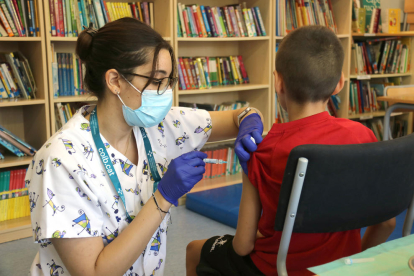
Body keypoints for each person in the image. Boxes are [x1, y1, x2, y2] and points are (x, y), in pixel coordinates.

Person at [26, 18, 263, 276]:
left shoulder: (157, 125)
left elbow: (236, 117)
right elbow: (94, 272)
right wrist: (164, 196)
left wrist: (249, 119)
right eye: (155, 81)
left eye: (168, 80)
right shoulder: (61, 160)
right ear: (115, 80)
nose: (165, 92)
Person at [186, 25, 396, 276]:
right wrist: (348, 263)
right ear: (340, 82)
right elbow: (387, 223)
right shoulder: (363, 136)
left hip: (275, 268)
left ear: (278, 81)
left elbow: (242, 246)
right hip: (340, 268)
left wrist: (248, 171)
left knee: (193, 250)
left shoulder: (264, 151)